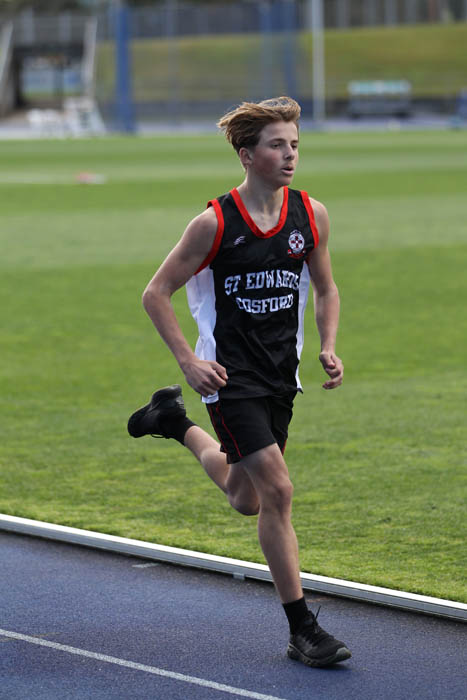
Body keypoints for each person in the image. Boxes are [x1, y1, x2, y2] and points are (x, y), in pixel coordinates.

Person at [128, 97, 351, 668]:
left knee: (245, 497)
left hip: (279, 374)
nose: (290, 155)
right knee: (278, 491)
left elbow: (326, 288)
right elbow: (156, 293)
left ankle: (171, 421)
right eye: (278, 145)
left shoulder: (311, 215)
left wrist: (327, 344)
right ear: (247, 155)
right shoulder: (215, 223)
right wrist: (188, 362)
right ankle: (303, 630)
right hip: (228, 376)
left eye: (295, 144)